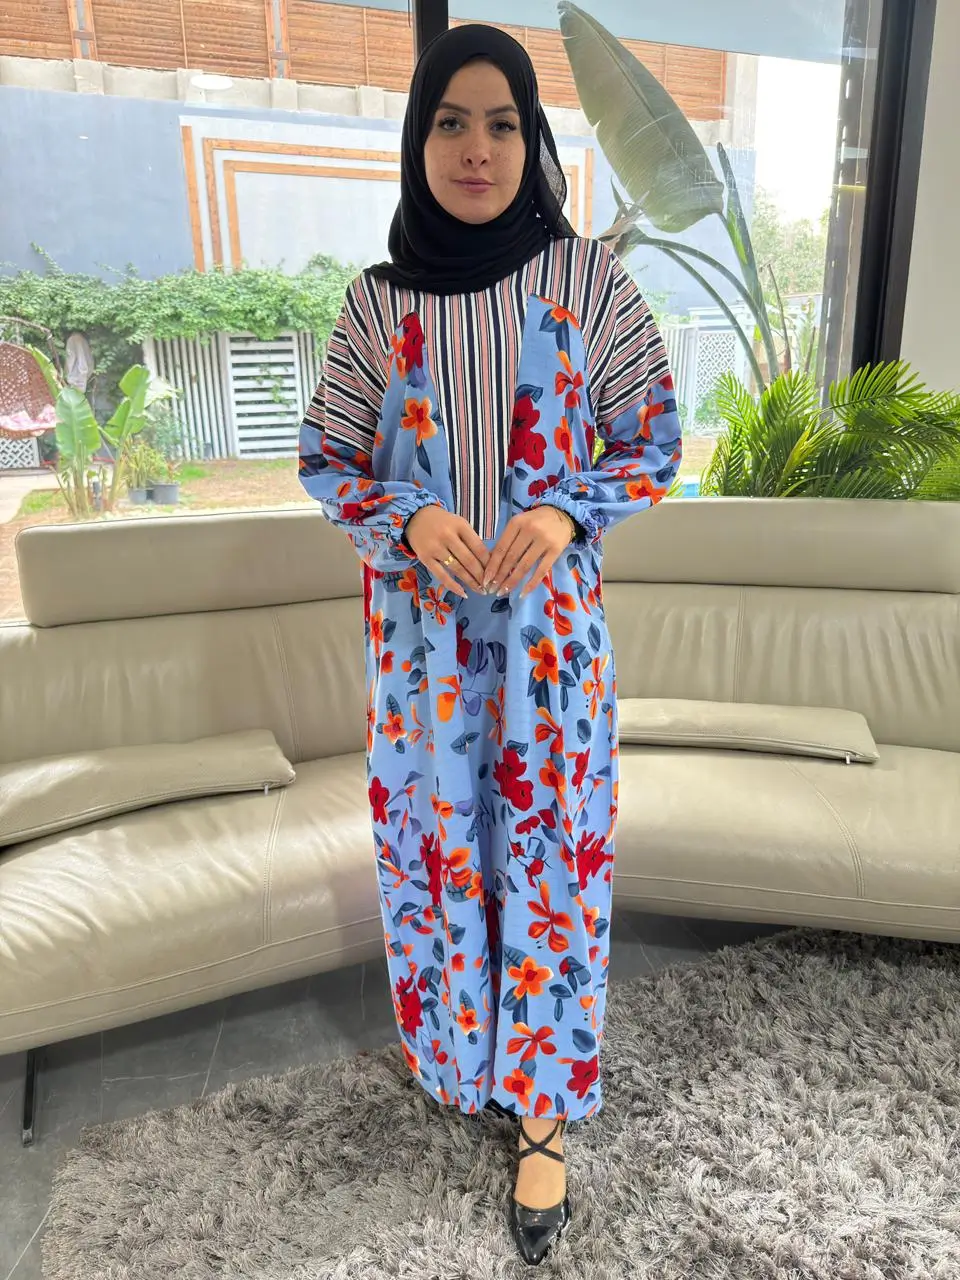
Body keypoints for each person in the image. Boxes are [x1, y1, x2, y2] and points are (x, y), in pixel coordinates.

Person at [298, 22, 682, 1267]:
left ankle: (545, 1109)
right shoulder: (377, 303)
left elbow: (655, 438)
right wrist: (408, 514)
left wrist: (564, 508)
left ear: (535, 141)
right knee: (439, 854)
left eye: (503, 123)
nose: (477, 148)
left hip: (549, 652)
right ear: (419, 143)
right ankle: (462, 1062)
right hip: (422, 657)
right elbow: (325, 457)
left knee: (551, 863)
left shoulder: (586, 282)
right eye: (451, 122)